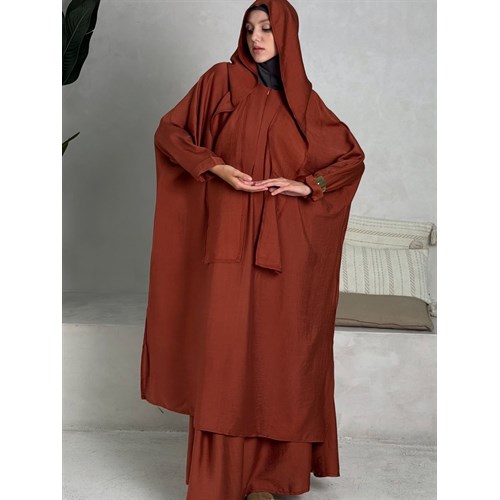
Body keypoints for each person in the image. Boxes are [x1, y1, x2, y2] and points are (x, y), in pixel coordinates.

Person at [140, 0, 366, 498]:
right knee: (225, 357)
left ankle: (268, 477)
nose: (256, 38)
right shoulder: (220, 81)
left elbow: (351, 159)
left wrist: (310, 185)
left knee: (277, 357)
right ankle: (223, 478)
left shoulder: (305, 103)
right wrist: (214, 166)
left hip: (285, 252)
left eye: (266, 28)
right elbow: (168, 132)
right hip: (226, 242)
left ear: (287, 35)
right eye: (249, 29)